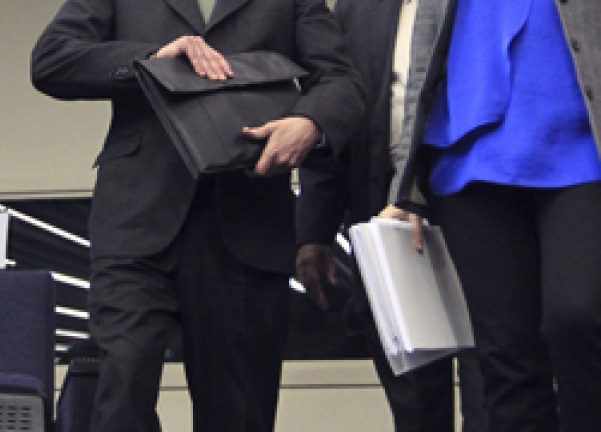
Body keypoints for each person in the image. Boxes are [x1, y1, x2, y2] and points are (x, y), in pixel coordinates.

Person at [30, 0, 364, 431]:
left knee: (238, 412)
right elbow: (52, 58)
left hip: (249, 223)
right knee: (122, 381)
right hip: (136, 218)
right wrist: (152, 60)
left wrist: (310, 122)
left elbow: (341, 80)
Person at [380, 0, 601, 431]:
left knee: (578, 316)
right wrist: (408, 184)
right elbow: (424, 54)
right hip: (470, 160)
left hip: (593, 153)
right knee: (507, 357)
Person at [294, 0, 488, 431]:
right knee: (414, 401)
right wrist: (314, 229)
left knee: (495, 389)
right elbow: (336, 111)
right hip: (385, 214)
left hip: (483, 200)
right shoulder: (357, 9)